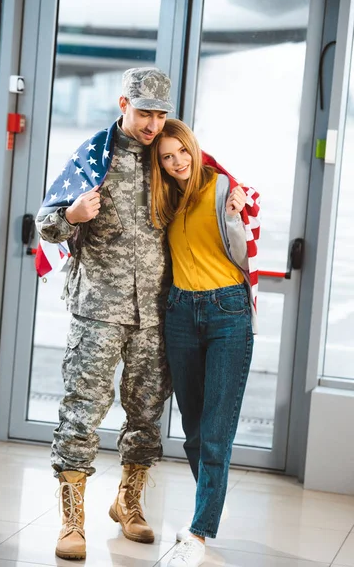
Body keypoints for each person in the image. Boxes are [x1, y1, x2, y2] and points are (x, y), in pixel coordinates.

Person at [35, 67, 174, 560]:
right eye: (144, 114)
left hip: (155, 314)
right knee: (81, 413)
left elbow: (205, 202)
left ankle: (128, 503)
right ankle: (72, 522)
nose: (153, 125)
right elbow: (45, 221)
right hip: (98, 309)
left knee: (146, 416)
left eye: (160, 115)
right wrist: (70, 217)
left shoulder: (170, 160)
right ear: (123, 104)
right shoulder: (95, 154)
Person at [150, 119, 260, 567]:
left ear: (195, 150)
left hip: (227, 312)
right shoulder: (165, 201)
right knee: (193, 429)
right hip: (180, 312)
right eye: (167, 157)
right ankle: (212, 500)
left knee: (216, 430)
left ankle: (198, 532)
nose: (177, 163)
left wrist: (240, 206)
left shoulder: (221, 187)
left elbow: (251, 212)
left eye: (182, 152)